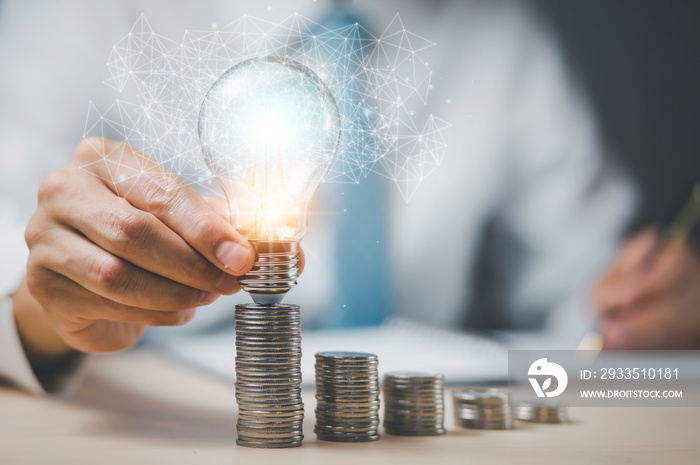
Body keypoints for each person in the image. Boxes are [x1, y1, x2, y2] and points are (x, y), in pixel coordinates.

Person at [1, 0, 699, 396]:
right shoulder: (78, 17)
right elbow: (17, 268)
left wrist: (646, 317)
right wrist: (46, 307)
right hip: (159, 420)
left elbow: (589, 305)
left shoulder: (504, 38)